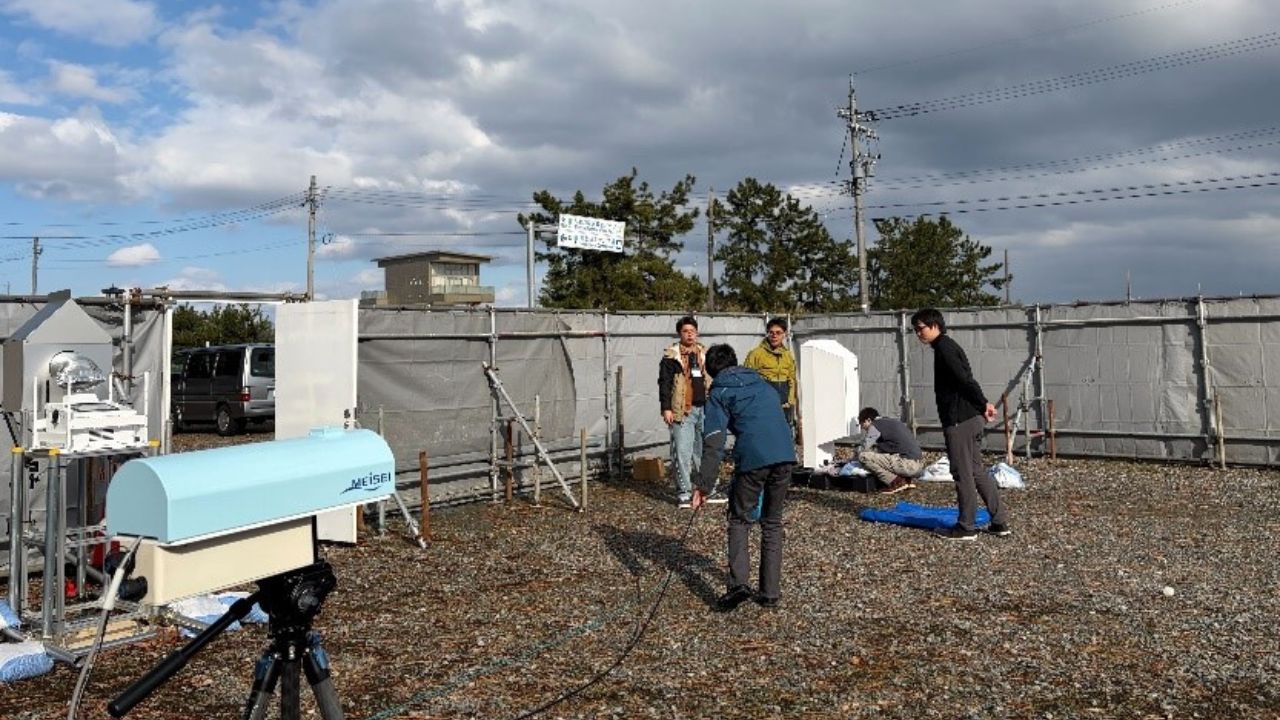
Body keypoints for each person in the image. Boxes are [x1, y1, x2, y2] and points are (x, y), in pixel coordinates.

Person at [692, 344, 796, 611]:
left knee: (739, 520)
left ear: (710, 370)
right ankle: (770, 593)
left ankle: (739, 585)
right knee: (772, 522)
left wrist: (703, 486)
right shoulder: (763, 383)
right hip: (786, 454)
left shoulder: (719, 392)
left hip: (753, 458)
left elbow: (714, 441)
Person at [910, 308, 1012, 540]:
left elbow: (964, 380)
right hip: (969, 417)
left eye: (921, 328)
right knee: (976, 470)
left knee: (962, 472)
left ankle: (966, 527)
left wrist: (984, 402)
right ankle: (999, 522)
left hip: (960, 420)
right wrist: (981, 405)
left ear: (935, 325)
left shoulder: (944, 349)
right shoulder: (946, 347)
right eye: (915, 330)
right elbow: (966, 378)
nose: (918, 333)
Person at [658, 316, 725, 508]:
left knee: (704, 452)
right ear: (680, 333)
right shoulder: (671, 357)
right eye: (686, 331)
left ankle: (708, 489)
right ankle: (684, 493)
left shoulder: (704, 354)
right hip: (682, 411)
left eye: (692, 331)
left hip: (704, 408)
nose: (690, 334)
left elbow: (713, 379)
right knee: (682, 452)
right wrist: (666, 408)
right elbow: (664, 383)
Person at [743, 317, 797, 436]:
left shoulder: (788, 356)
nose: (774, 336)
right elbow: (747, 379)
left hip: (784, 404)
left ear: (785, 334)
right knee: (765, 434)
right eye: (771, 333)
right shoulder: (756, 354)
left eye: (778, 333)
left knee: (784, 434)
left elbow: (792, 379)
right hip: (763, 403)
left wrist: (791, 400)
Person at [856, 407, 924, 494]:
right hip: (918, 465)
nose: (863, 429)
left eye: (862, 424)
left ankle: (896, 482)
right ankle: (906, 480)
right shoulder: (891, 422)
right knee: (878, 455)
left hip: (907, 465)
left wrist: (851, 459)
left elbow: (864, 448)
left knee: (863, 457)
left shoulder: (876, 425)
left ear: (868, 420)